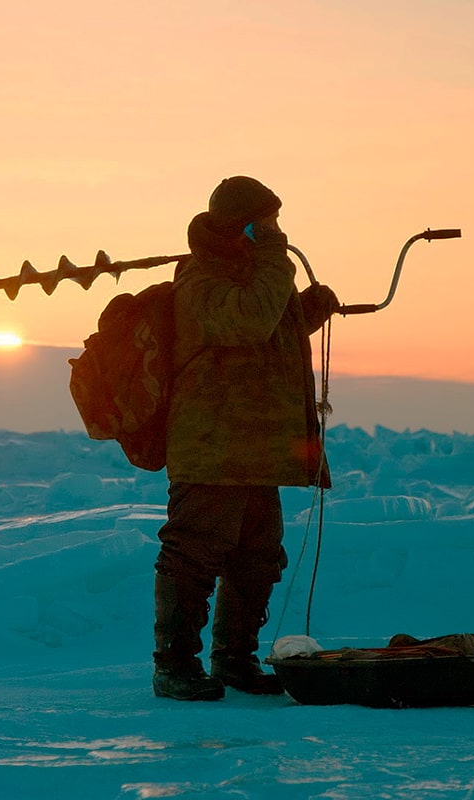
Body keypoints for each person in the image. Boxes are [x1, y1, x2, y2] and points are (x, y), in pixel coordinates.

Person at [152, 176, 340, 701]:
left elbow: (264, 333)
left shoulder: (250, 273)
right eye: (267, 222)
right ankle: (174, 664)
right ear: (243, 227)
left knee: (258, 556)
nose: (277, 231)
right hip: (212, 447)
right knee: (192, 554)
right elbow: (250, 320)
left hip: (255, 449)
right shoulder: (200, 278)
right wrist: (276, 259)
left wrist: (304, 313)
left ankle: (234, 659)